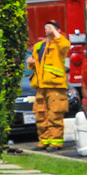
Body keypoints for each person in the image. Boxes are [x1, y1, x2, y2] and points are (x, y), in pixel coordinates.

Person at [28, 19, 71, 151]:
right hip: (41, 86)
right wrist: (31, 61)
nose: (48, 30)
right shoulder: (39, 46)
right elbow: (35, 63)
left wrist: (55, 32)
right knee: (41, 115)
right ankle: (44, 141)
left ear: (58, 30)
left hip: (55, 87)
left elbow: (65, 46)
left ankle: (55, 142)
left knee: (55, 115)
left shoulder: (59, 44)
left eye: (51, 28)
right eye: (47, 27)